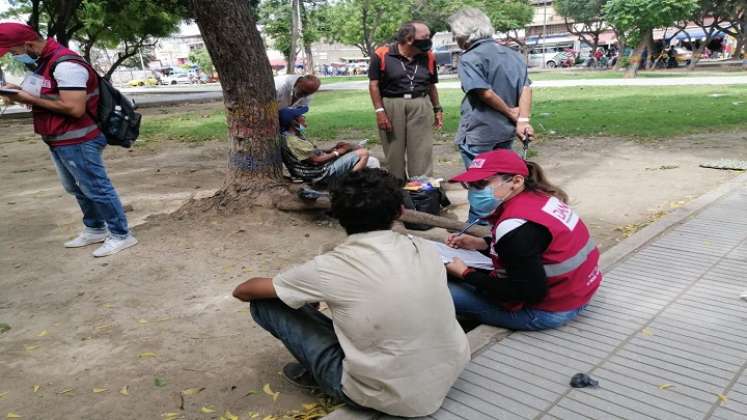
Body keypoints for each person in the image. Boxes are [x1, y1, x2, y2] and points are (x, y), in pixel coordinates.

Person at [233, 168, 470, 417]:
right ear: (400, 212)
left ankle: (322, 373)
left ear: (336, 215)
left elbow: (244, 291)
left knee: (265, 303)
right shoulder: (424, 246)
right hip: (451, 368)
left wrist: (302, 293)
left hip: (396, 397)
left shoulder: (331, 266)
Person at [0, 22, 137, 257]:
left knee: (96, 187)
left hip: (78, 138)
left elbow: (74, 109)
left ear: (28, 44)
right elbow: (46, 94)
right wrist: (16, 91)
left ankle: (121, 235)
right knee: (76, 187)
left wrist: (27, 98)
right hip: (59, 137)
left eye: (13, 52)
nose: (13, 57)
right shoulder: (44, 63)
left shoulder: (66, 65)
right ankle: (95, 228)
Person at [443, 149, 603, 330]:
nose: (473, 192)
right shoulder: (542, 198)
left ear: (517, 181)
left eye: (481, 184)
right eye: (470, 185)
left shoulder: (514, 226)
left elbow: (529, 293)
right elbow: (532, 249)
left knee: (439, 289)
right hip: (580, 292)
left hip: (549, 311)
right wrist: (479, 243)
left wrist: (466, 273)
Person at [448, 8, 533, 224]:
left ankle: (479, 232)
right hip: (504, 132)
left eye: (454, 34)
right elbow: (526, 87)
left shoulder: (469, 58)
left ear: (463, 34)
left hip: (480, 132)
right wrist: (522, 120)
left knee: (481, 186)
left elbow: (483, 91)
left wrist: (511, 113)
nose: (454, 39)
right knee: (502, 181)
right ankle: (499, 224)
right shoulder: (512, 54)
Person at [368, 21, 443, 180]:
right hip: (392, 104)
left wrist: (437, 108)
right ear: (409, 39)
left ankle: (421, 189)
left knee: (421, 150)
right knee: (394, 152)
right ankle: (398, 188)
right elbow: (374, 85)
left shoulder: (429, 56)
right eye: (425, 36)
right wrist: (379, 111)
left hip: (420, 104)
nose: (429, 39)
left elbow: (431, 86)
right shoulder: (382, 54)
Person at [278, 106, 379, 186]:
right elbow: (315, 160)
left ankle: (366, 185)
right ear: (293, 122)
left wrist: (331, 150)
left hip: (319, 169)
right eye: (301, 116)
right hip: (318, 173)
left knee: (370, 160)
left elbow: (312, 153)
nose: (304, 117)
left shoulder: (295, 135)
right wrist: (338, 152)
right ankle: (347, 184)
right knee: (363, 153)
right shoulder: (293, 141)